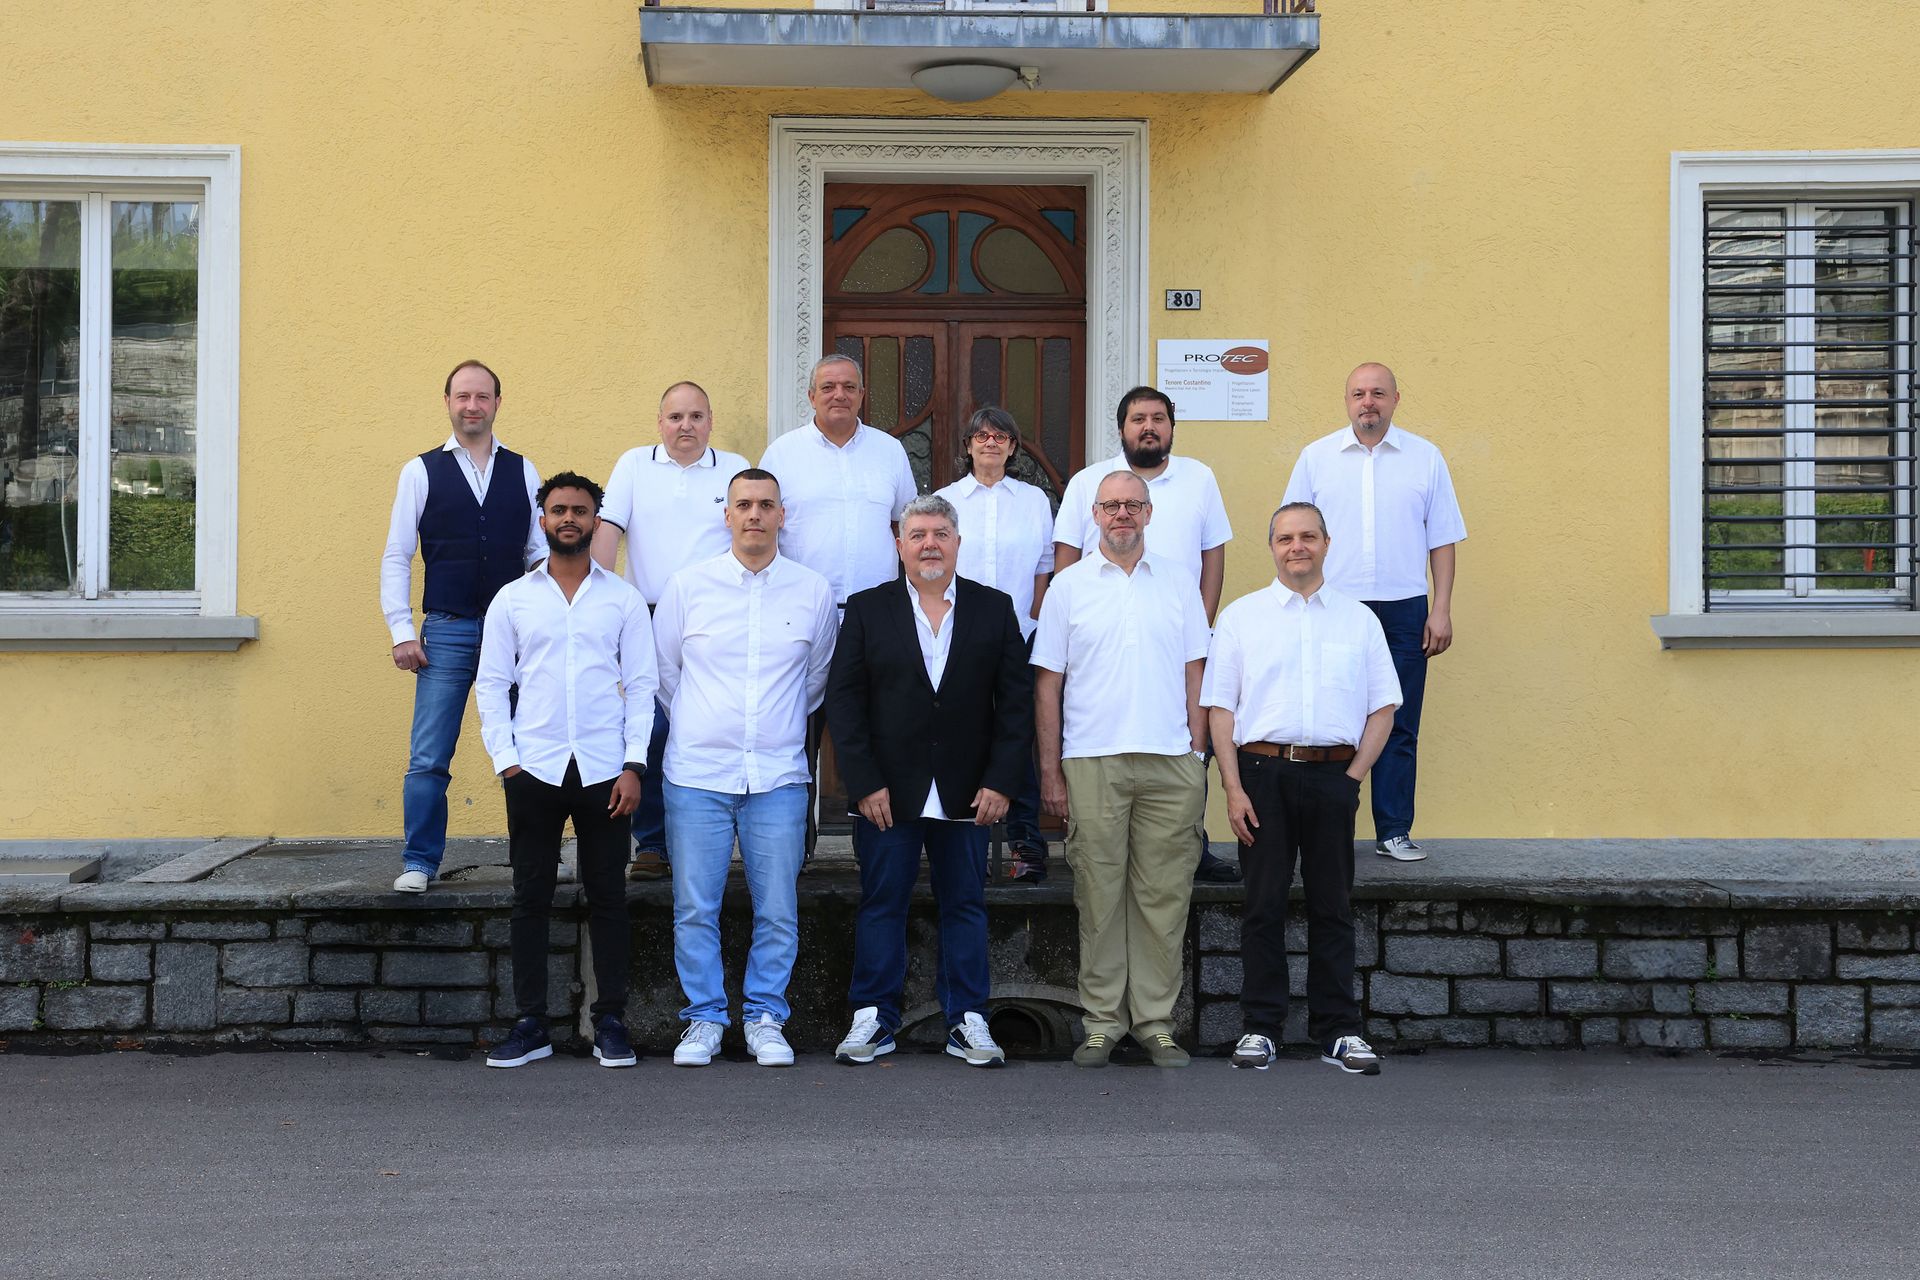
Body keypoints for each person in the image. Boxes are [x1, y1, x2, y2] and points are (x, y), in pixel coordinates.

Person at [826, 494, 1033, 1068]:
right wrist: (863, 782)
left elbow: (1015, 706)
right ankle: (873, 1017)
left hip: (971, 792)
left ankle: (968, 1018)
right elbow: (845, 703)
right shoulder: (868, 610)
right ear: (899, 546)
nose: (929, 544)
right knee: (882, 902)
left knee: (965, 903)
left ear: (958, 542)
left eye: (940, 533)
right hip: (887, 793)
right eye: (917, 535)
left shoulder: (995, 609)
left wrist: (1001, 782)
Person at [1204, 502, 1399, 1076]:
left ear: (1326, 543)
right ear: (1272, 547)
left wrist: (1353, 779)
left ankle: (1339, 1030)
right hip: (1261, 775)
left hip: (1333, 778)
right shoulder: (1243, 618)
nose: (1297, 547)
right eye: (1286, 538)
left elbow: (1383, 708)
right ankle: (1260, 1027)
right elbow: (1220, 711)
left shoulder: (1358, 619)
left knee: (1332, 907)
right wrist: (1233, 790)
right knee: (1261, 906)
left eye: (1308, 536)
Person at [652, 468, 839, 1068]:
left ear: (783, 515)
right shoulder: (687, 588)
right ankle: (704, 1019)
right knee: (694, 907)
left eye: (765, 504)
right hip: (697, 775)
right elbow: (665, 677)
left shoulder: (813, 591)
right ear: (726, 515)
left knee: (778, 907)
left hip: (778, 777)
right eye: (743, 505)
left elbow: (815, 684)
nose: (754, 514)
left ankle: (764, 1017)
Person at [475, 471, 655, 1069]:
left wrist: (634, 766)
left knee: (608, 896)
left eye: (580, 509)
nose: (570, 518)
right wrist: (508, 763)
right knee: (531, 896)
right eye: (558, 510)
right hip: (536, 770)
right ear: (543, 519)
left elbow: (644, 686)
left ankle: (610, 1021)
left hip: (607, 771)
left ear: (597, 519)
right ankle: (531, 1023)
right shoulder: (513, 599)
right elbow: (494, 683)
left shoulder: (622, 598)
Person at [1033, 471, 1211, 1069]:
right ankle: (1103, 1021)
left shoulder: (1180, 582)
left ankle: (1156, 1022)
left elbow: (1196, 673)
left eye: (1133, 505)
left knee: (1164, 897)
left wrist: (1198, 752)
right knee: (1099, 896)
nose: (1122, 515)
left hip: (1171, 759)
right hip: (1092, 760)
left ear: (1149, 513)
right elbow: (1048, 686)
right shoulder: (1068, 587)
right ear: (1094, 515)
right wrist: (1051, 771)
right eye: (1111, 506)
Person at [1052, 386, 1237, 884]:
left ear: (1172, 426)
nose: (1149, 426)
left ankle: (1190, 846)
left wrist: (1198, 621)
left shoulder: (1199, 478)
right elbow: (1067, 557)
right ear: (1122, 428)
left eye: (1158, 418)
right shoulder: (1091, 482)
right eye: (1138, 418)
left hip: (1179, 629)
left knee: (1184, 738)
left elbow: (1213, 555)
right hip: (1103, 632)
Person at [1283, 363, 1466, 862]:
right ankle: (1324, 829)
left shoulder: (1425, 458)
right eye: (1359, 393)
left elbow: (1443, 539)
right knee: (1327, 719)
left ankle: (1393, 831)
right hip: (1333, 606)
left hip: (1406, 608)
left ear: (1395, 400)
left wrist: (1441, 608)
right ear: (1347, 400)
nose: (1369, 402)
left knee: (1400, 721)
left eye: (1378, 393)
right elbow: (1294, 535)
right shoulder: (1316, 458)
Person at [379, 360, 542, 894]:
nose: (472, 406)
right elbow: (398, 555)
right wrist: (402, 630)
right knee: (429, 754)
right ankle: (420, 862)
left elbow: (538, 556)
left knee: (527, 747)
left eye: (483, 397)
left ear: (498, 402)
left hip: (513, 635)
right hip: (445, 628)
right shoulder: (420, 471)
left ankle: (531, 862)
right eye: (462, 397)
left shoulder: (523, 470)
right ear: (447, 402)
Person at [759, 353, 919, 853]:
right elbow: (763, 528)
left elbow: (904, 525)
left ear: (862, 394)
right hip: (801, 614)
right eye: (828, 387)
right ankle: (796, 849)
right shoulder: (783, 455)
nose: (839, 395)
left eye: (849, 386)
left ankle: (872, 849)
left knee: (875, 733)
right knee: (798, 736)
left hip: (874, 618)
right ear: (811, 396)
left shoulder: (889, 452)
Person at [592, 381, 750, 882]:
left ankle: (715, 840)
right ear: (660, 421)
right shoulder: (634, 464)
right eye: (676, 417)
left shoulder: (733, 466)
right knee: (652, 726)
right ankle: (653, 844)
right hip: (647, 612)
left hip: (716, 617)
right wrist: (598, 604)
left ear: (710, 420)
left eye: (696, 416)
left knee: (714, 721)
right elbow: (608, 533)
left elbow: (751, 532)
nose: (686, 426)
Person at [934, 407, 1055, 883]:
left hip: (1018, 637)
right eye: (981, 436)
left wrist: (1034, 620)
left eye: (1000, 436)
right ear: (967, 446)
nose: (990, 443)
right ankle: (965, 845)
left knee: (1015, 738)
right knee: (961, 736)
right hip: (954, 638)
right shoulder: (945, 500)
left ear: (1013, 446)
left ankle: (1025, 844)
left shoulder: (1033, 501)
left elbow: (1044, 567)